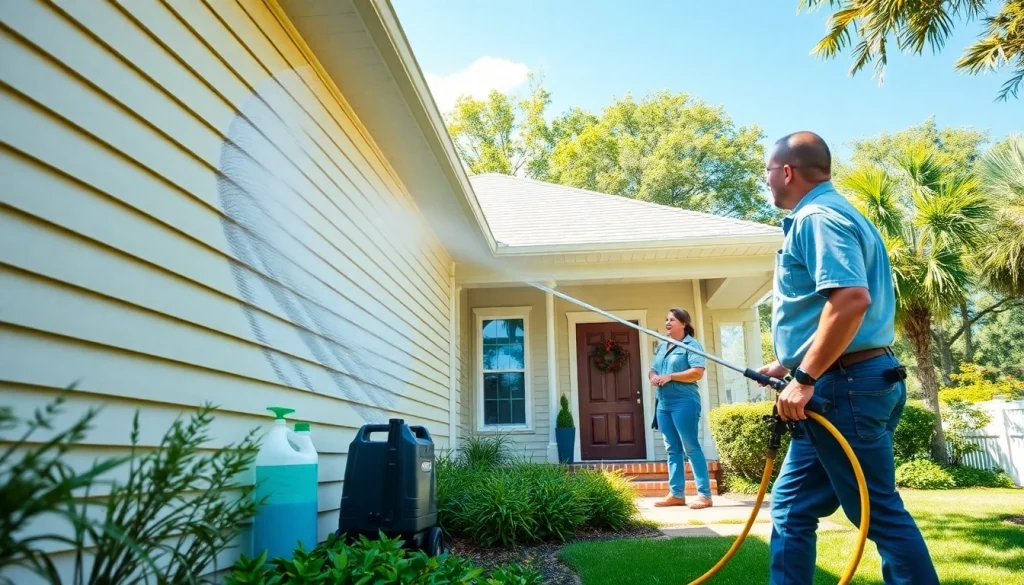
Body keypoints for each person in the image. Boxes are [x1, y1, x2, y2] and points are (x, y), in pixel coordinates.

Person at [759, 131, 940, 584]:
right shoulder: (838, 213)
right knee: (792, 506)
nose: (766, 182)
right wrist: (788, 363)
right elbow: (830, 309)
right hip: (848, 381)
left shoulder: (817, 218)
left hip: (843, 387)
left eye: (767, 171)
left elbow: (851, 301)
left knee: (877, 513)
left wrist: (804, 376)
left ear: (787, 171)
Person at [649, 308, 713, 509]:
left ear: (683, 323)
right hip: (663, 404)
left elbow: (697, 372)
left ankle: (704, 495)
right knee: (672, 449)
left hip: (684, 402)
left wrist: (671, 376)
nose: (668, 323)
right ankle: (676, 494)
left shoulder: (692, 345)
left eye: (672, 320)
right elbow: (654, 368)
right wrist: (653, 376)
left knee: (691, 447)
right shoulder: (661, 346)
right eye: (666, 319)